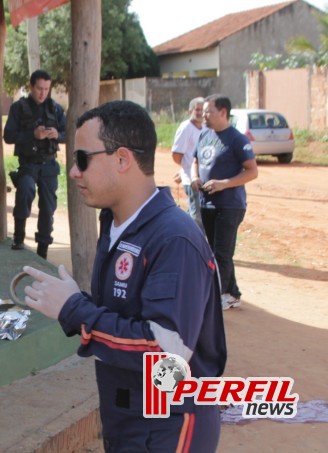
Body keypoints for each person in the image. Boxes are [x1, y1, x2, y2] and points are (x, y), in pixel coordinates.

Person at [22, 101, 226, 452]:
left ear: (122, 159)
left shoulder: (173, 238)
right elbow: (126, 318)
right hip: (128, 418)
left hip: (167, 427)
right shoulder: (118, 225)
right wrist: (77, 301)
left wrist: (74, 310)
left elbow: (166, 354)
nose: (73, 171)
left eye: (82, 159)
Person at [191, 94, 258, 310]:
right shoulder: (205, 135)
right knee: (216, 250)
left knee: (222, 253)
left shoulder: (237, 139)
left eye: (208, 111)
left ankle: (217, 296)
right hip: (207, 203)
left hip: (230, 205)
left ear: (223, 112)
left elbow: (252, 172)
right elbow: (195, 160)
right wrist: (194, 177)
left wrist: (224, 184)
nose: (204, 115)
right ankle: (232, 292)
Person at [3, 70, 66, 259]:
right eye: (39, 88)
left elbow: (68, 133)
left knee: (48, 207)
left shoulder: (55, 109)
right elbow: (8, 136)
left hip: (48, 164)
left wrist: (58, 135)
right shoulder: (19, 108)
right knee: (25, 189)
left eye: (46, 89)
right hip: (28, 164)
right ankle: (19, 238)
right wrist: (33, 134)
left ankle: (42, 251)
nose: (43, 93)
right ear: (31, 87)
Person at [172, 97, 205, 230]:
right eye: (197, 109)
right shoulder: (186, 127)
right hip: (191, 180)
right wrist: (185, 169)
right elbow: (176, 155)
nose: (200, 112)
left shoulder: (205, 127)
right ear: (190, 110)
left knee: (200, 215)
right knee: (196, 217)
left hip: (203, 179)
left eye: (203, 109)